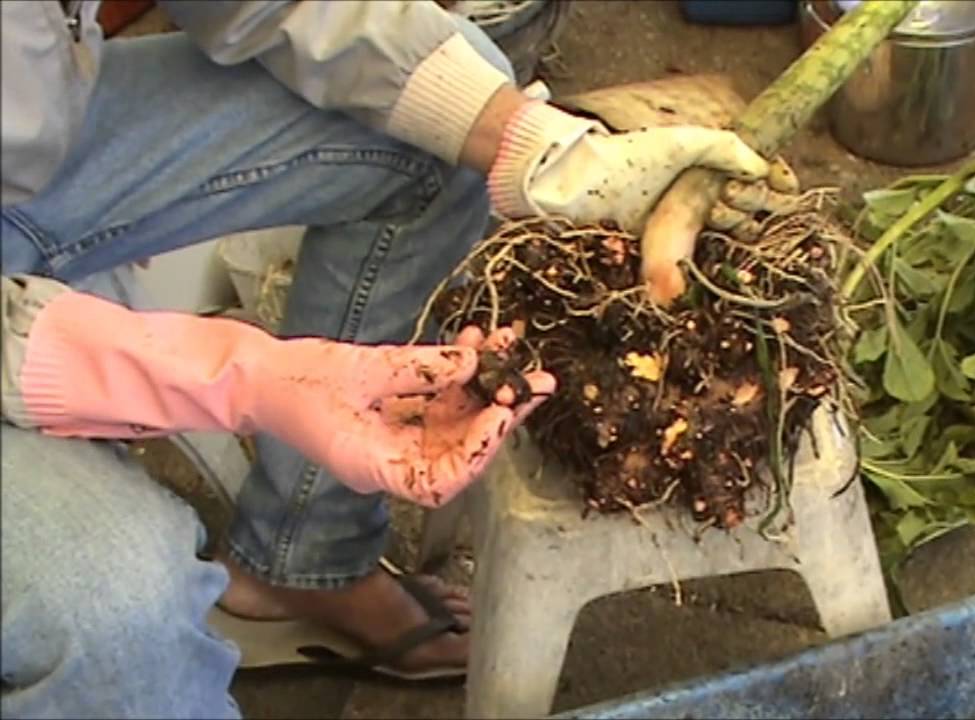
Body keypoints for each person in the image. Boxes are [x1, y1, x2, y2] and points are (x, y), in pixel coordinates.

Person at [0, 1, 792, 717]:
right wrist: (237, 375)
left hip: (27, 165)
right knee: (113, 607)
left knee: (435, 128)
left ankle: (304, 559)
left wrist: (536, 148)